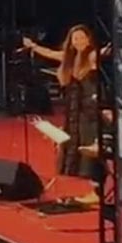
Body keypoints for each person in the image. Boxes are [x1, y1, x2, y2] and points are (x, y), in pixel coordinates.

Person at [22, 25, 105, 183]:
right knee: (73, 145)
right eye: (76, 38)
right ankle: (90, 186)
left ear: (88, 40)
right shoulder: (68, 58)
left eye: (82, 38)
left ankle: (95, 185)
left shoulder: (91, 56)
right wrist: (33, 46)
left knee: (89, 147)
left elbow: (102, 53)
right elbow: (49, 53)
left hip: (89, 110)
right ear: (71, 42)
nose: (79, 41)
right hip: (73, 110)